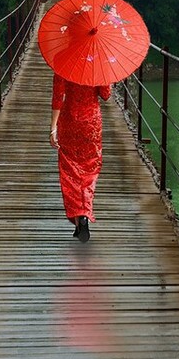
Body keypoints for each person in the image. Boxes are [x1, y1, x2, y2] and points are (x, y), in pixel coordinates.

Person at [49, 72, 111, 242]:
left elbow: (58, 95)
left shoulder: (63, 62)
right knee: (90, 168)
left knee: (70, 170)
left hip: (69, 120)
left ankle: (78, 217)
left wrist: (53, 127)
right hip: (91, 122)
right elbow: (105, 95)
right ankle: (84, 212)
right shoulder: (97, 64)